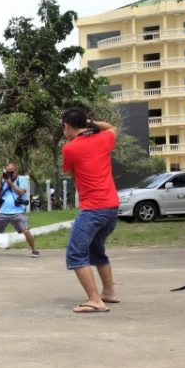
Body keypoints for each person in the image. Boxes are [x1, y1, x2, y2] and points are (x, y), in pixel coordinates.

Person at [61, 108, 120, 313]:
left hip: (93, 208)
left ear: (67, 126)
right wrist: (92, 124)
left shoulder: (70, 148)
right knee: (96, 250)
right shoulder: (104, 139)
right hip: (111, 207)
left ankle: (95, 300)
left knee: (76, 254)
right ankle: (109, 293)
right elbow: (113, 127)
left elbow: (70, 172)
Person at [0, 162, 39, 258]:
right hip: (2, 211)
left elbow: (21, 192)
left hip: (17, 212)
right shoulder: (3, 180)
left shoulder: (21, 179)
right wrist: (0, 180)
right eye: (7, 171)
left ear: (16, 171)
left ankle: (34, 250)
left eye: (12, 172)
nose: (10, 173)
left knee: (26, 230)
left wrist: (10, 183)